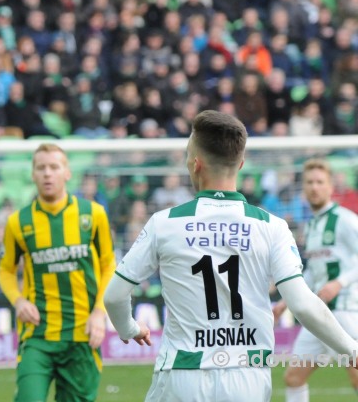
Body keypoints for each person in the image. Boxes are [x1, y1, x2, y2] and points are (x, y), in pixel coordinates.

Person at [103, 110, 358, 401]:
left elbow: (114, 296)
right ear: (241, 164)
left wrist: (129, 328)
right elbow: (303, 304)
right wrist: (352, 350)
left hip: (183, 374)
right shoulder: (272, 227)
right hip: (247, 376)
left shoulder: (164, 223)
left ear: (195, 164)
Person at [0, 143, 115, 402]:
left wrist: (99, 313)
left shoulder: (93, 215)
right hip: (38, 334)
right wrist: (18, 301)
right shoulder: (18, 222)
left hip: (82, 334)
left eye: (54, 167)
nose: (47, 174)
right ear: (33, 174)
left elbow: (109, 266)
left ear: (67, 173)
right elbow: (6, 270)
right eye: (41, 168)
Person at [273, 158, 358, 402]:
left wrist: (339, 282)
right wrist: (284, 302)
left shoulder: (344, 219)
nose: (314, 187)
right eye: (309, 182)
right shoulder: (310, 227)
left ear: (331, 187)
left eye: (320, 182)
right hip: (318, 313)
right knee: (294, 377)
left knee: (356, 375)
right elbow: (314, 272)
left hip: (346, 311)